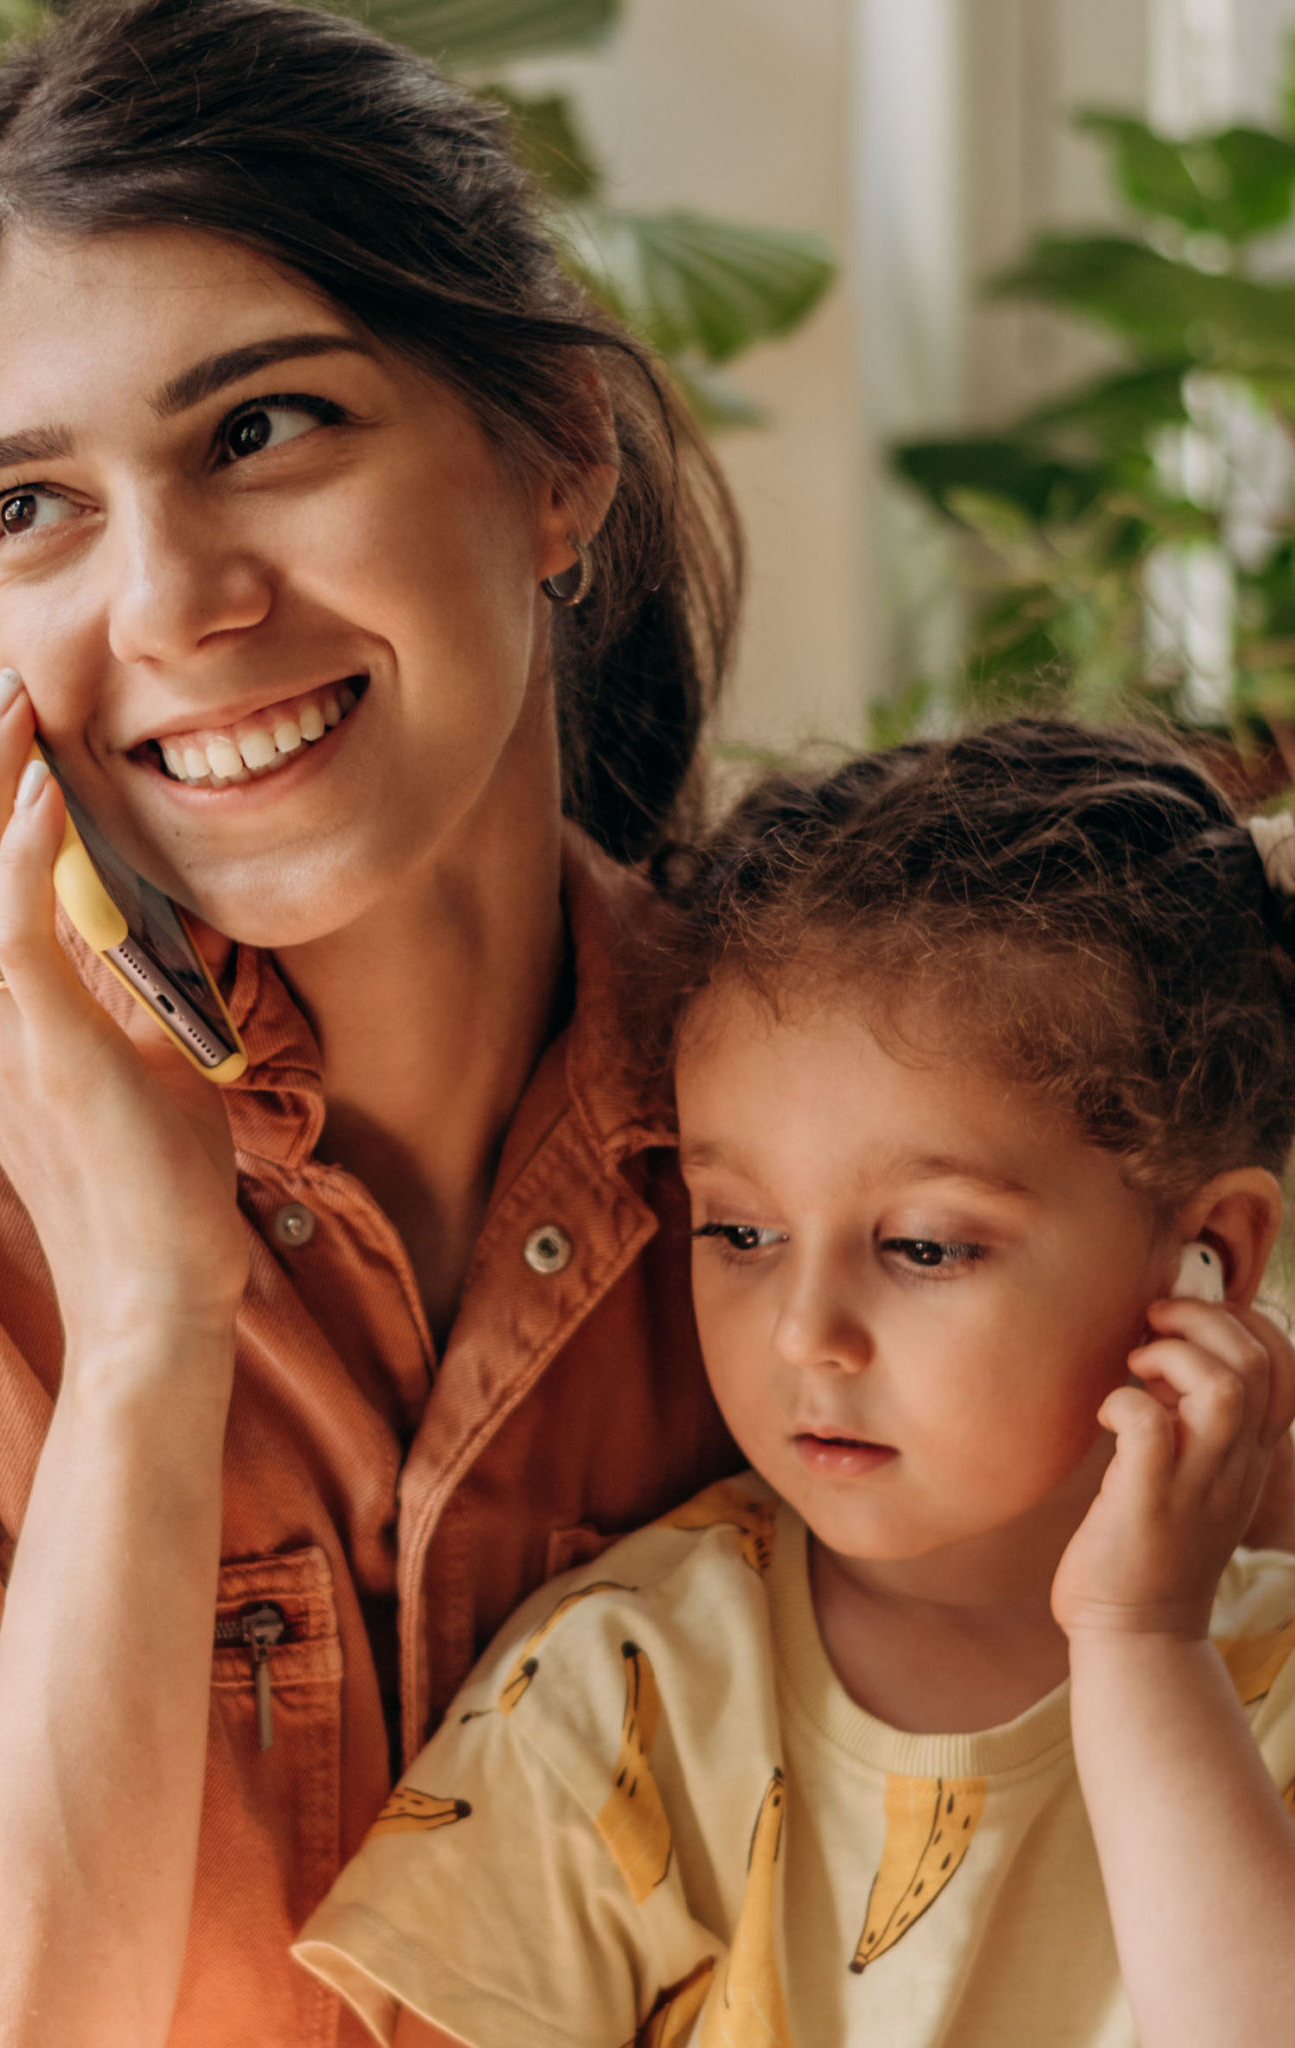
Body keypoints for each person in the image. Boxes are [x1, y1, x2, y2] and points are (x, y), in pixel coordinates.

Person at [0, 1, 750, 2041]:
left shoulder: (856, 1112)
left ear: (559, 458)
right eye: (32, 510)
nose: (175, 605)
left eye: (262, 428)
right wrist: (142, 1332)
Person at [296, 719, 1295, 2048]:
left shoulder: (1267, 1679)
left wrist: (1144, 1648)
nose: (804, 1335)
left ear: (1208, 1254)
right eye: (741, 1234)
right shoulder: (619, 1692)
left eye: (925, 1246)